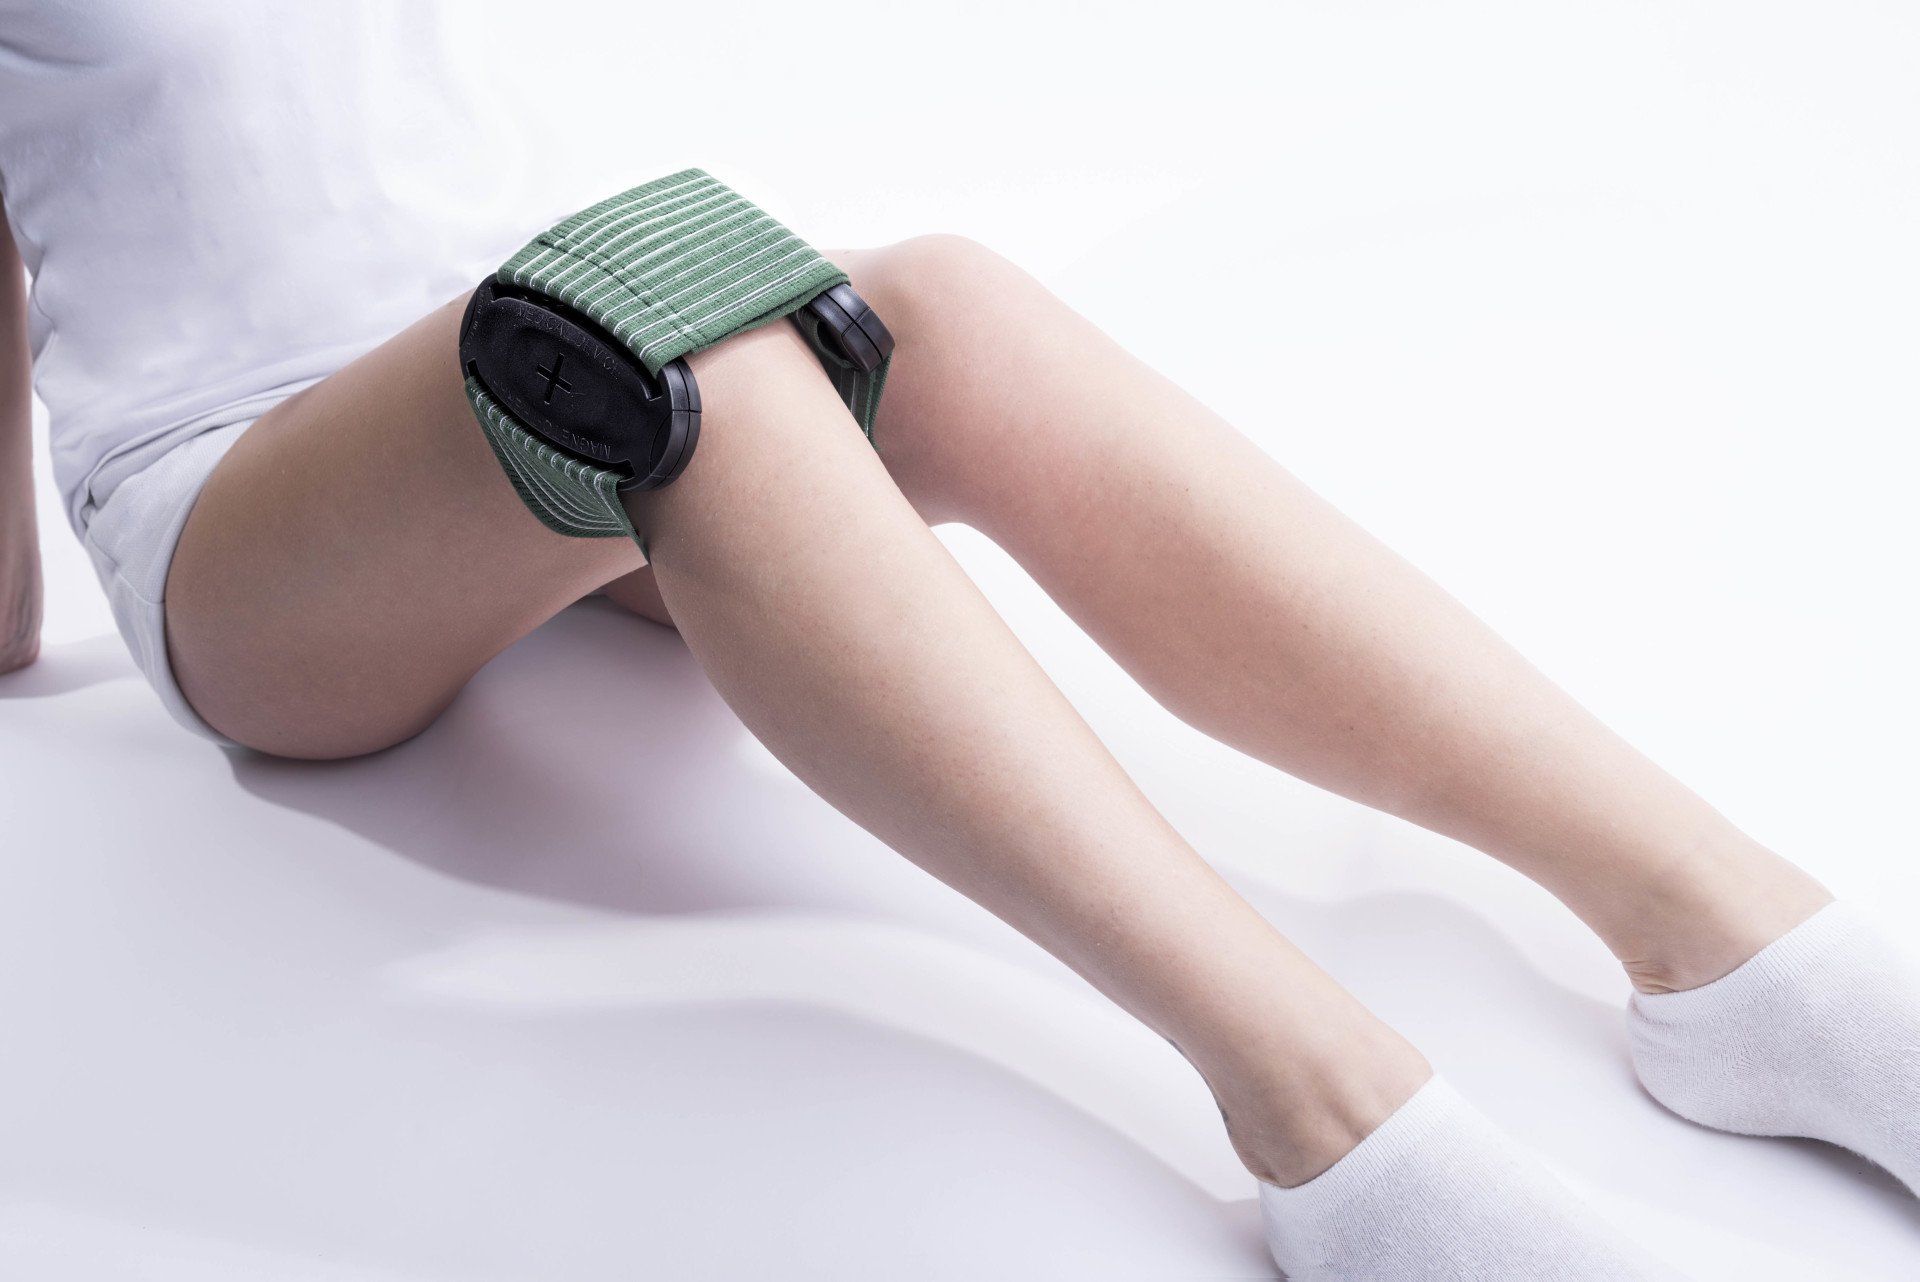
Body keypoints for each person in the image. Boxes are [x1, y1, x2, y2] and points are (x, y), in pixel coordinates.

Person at [2, 5, 1914, 1278]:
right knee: (660, 359)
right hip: (246, 510)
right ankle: (1341, 1123)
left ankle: (1739, 951)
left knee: (950, 313)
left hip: (503, 372)